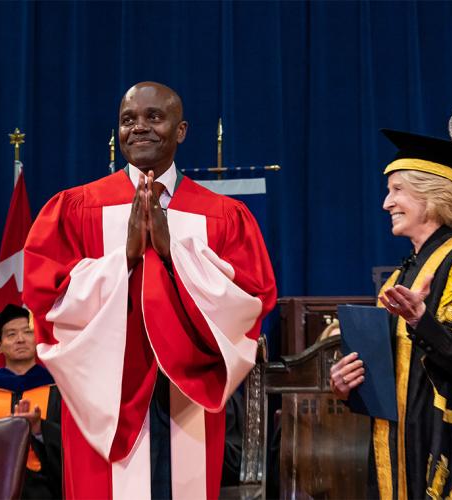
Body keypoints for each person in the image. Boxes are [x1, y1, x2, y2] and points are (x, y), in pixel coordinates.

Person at [23, 81, 276, 499]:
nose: (139, 127)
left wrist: (172, 253)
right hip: (102, 397)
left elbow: (250, 300)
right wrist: (122, 256)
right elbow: (46, 298)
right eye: (128, 120)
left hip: (189, 396)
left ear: (180, 130)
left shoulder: (225, 216)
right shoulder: (73, 208)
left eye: (153, 117)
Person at [330, 129, 452, 499]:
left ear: (432, 196)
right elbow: (391, 370)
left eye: (397, 189)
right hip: (403, 447)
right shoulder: (403, 275)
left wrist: (423, 322)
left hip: (447, 448)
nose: (387, 203)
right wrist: (346, 381)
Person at [0, 304, 62, 499]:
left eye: (28, 332)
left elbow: (69, 442)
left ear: (37, 339)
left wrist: (39, 429)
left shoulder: (57, 388)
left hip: (46, 489)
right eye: (11, 334)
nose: (20, 339)